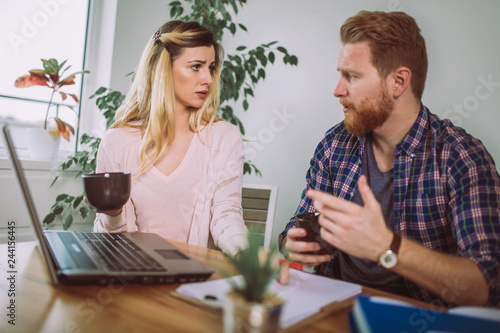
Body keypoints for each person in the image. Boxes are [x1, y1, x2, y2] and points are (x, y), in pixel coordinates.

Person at [279, 11, 500, 307]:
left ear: (398, 81)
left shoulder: (461, 158)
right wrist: (290, 243)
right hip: (332, 308)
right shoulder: (334, 144)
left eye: (352, 76)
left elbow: (487, 286)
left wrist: (387, 247)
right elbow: (295, 225)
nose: (337, 90)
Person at [92, 20, 248, 256]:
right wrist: (112, 215)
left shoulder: (224, 138)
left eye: (211, 67)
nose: (208, 78)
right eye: (196, 66)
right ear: (164, 68)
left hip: (198, 280)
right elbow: (109, 244)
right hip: (133, 277)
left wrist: (249, 258)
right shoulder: (117, 142)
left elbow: (227, 215)